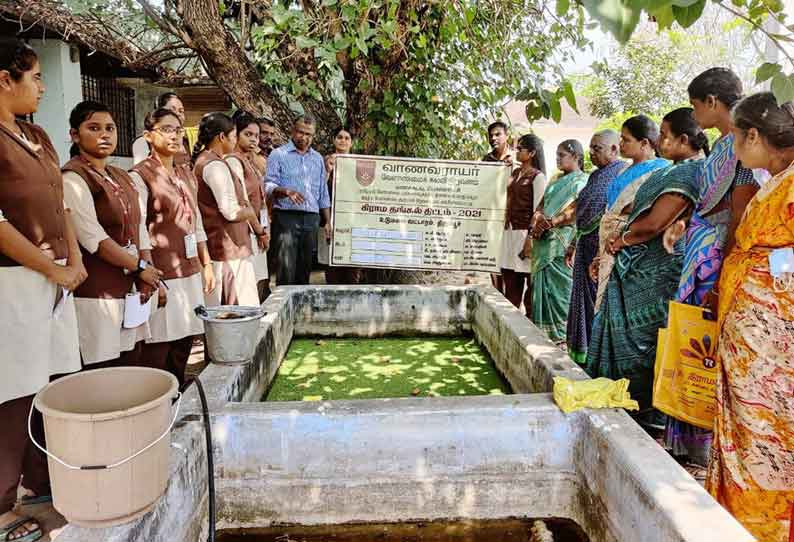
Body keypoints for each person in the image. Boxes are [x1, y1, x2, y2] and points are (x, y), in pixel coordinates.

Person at [0, 39, 84, 542]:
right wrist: (50, 269)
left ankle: (39, 481)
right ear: (4, 80)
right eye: (34, 76)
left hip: (54, 279)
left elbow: (60, 207)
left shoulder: (36, 136)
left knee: (47, 383)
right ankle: (3, 502)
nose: (42, 85)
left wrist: (71, 263)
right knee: (11, 390)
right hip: (13, 279)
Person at [705, 92, 794, 542]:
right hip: (752, 338)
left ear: (755, 135)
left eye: (738, 140)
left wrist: (766, 275)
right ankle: (740, 519)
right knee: (745, 431)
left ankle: (763, 524)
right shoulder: (777, 180)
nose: (735, 149)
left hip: (773, 343)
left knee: (767, 435)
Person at [586, 107, 709, 433]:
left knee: (645, 343)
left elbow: (654, 223)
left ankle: (646, 418)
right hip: (633, 265)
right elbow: (634, 212)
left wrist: (619, 242)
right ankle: (623, 406)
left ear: (684, 139)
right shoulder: (670, 170)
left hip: (656, 272)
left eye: (666, 135)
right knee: (626, 337)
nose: (661, 140)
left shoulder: (691, 173)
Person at [665, 69, 760, 467]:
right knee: (691, 337)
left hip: (718, 257)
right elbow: (711, 204)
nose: (694, 114)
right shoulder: (724, 144)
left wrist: (724, 270)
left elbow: (739, 211)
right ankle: (689, 437)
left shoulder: (743, 145)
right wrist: (688, 223)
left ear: (712, 103)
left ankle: (703, 443)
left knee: (707, 342)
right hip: (702, 249)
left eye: (694, 105)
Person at [62, 101, 163, 369]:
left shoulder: (120, 175)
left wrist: (148, 272)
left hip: (130, 289)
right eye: (94, 128)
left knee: (132, 363)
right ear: (75, 135)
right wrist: (140, 268)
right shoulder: (73, 177)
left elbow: (139, 226)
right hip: (97, 294)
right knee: (104, 371)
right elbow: (93, 238)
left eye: (110, 128)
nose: (104, 134)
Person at [129, 108, 216, 385]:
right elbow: (139, 227)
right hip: (163, 271)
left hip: (190, 268)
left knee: (186, 336)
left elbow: (197, 222)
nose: (175, 135)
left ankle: (178, 392)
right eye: (166, 129)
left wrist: (207, 264)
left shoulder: (184, 173)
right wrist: (147, 271)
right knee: (161, 341)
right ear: (148, 136)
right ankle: (159, 398)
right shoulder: (140, 175)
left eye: (178, 130)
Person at [590, 115, 668, 311]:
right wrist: (599, 255)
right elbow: (612, 208)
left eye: (626, 139)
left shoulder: (662, 170)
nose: (620, 144)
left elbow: (649, 210)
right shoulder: (622, 171)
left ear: (644, 143)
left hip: (631, 247)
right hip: (608, 244)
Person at [565, 130, 626, 364]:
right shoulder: (594, 176)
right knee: (581, 300)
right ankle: (580, 350)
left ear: (614, 149)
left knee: (597, 302)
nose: (591, 153)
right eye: (590, 148)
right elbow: (582, 212)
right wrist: (572, 243)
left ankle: (594, 355)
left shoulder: (621, 173)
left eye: (597, 148)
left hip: (603, 249)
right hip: (584, 246)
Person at [192, 112, 263, 306]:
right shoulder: (214, 165)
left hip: (230, 246)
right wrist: (249, 211)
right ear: (222, 137)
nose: (234, 142)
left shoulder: (210, 160)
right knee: (236, 308)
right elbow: (230, 211)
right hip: (228, 248)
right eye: (233, 137)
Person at [529, 140, 588, 342]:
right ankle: (541, 336)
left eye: (562, 155)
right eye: (556, 154)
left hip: (562, 245)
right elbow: (541, 206)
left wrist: (549, 223)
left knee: (561, 293)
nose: (557, 159)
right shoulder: (554, 181)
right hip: (542, 243)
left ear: (576, 157)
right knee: (541, 292)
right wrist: (536, 221)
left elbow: (575, 211)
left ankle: (562, 338)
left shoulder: (582, 181)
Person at [265, 114, 331, 285]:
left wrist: (328, 221)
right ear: (292, 131)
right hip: (286, 217)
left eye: (309, 134)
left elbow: (323, 193)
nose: (305, 137)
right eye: (301, 132)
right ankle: (285, 308)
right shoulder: (278, 154)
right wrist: (285, 191)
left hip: (311, 219)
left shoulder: (317, 158)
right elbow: (267, 186)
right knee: (285, 269)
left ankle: (301, 309)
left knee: (305, 268)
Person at [499, 133, 546, 315]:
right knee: (510, 280)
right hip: (510, 233)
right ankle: (511, 322)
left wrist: (530, 239)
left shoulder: (538, 177)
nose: (516, 152)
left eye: (520, 149)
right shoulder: (516, 173)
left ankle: (532, 323)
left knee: (529, 281)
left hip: (524, 234)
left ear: (532, 153)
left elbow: (538, 211)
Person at [227, 111, 270, 301]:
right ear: (235, 134)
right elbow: (242, 201)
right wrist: (260, 231)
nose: (254, 140)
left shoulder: (250, 160)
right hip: (246, 230)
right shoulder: (233, 161)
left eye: (257, 135)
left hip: (258, 228)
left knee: (260, 280)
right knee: (247, 286)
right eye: (248, 134)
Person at [323, 128, 362, 285]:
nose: (343, 141)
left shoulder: (358, 164)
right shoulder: (325, 161)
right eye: (339, 137)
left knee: (353, 265)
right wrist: (328, 170)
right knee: (331, 264)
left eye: (347, 138)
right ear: (334, 140)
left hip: (353, 221)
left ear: (351, 142)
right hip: (330, 220)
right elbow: (320, 190)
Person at [132, 92, 190, 166]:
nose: (178, 114)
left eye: (181, 111)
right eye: (172, 110)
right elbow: (141, 172)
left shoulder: (185, 140)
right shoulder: (143, 142)